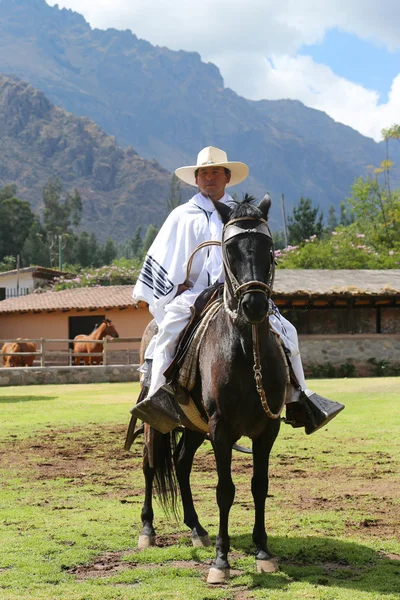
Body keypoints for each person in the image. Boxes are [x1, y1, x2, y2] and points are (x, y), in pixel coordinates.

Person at [131, 146, 344, 434]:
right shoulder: (181, 215)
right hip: (194, 294)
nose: (209, 178)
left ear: (227, 177)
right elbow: (164, 256)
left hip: (237, 293)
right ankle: (159, 399)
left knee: (287, 332)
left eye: (215, 172)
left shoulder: (243, 215)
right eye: (204, 173)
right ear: (196, 179)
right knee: (167, 331)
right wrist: (173, 285)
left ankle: (299, 398)